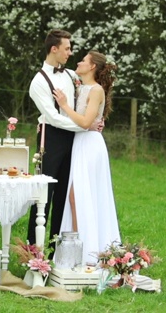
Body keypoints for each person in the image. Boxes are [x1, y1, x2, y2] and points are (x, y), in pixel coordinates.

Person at [53, 50, 121, 265]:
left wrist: (64, 105)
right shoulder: (79, 86)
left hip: (90, 145)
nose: (79, 62)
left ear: (92, 67)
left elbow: (84, 122)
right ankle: (77, 246)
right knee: (74, 197)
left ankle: (84, 249)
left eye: (83, 60)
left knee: (80, 195)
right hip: (79, 143)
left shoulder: (96, 90)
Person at [27, 29, 86, 253]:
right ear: (54, 49)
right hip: (49, 138)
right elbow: (52, 117)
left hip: (73, 139)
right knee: (43, 196)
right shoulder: (38, 82)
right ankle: (33, 252)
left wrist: (90, 122)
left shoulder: (72, 75)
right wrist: (83, 126)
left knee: (65, 195)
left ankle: (57, 252)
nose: (70, 53)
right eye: (67, 48)